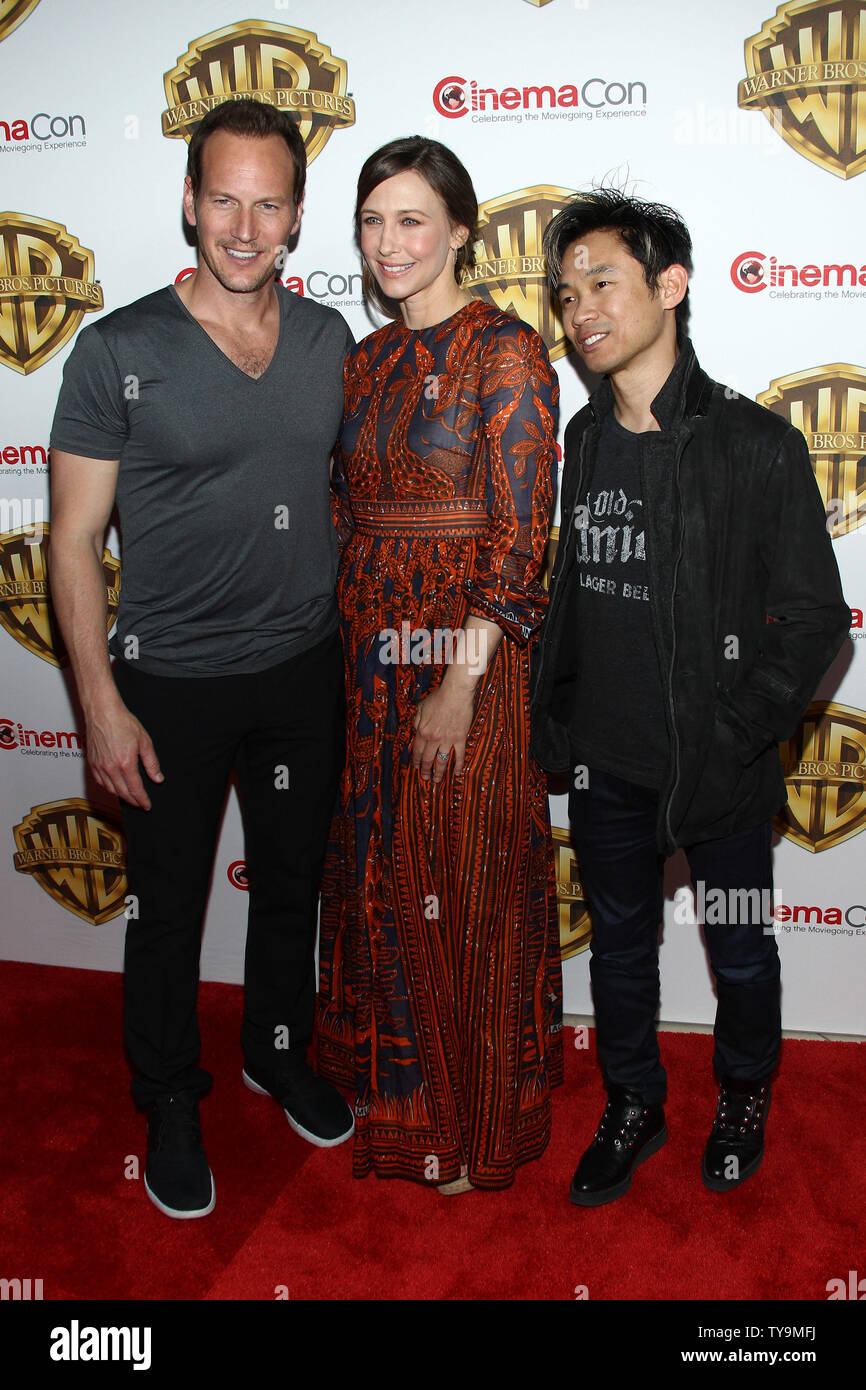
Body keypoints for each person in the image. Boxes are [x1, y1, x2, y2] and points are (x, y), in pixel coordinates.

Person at [48, 99, 355, 1220]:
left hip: (300, 671)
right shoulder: (117, 351)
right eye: (222, 197)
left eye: (267, 202)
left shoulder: (329, 343)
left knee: (288, 890)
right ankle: (170, 1095)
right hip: (167, 682)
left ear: (296, 217)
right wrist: (97, 704)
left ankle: (276, 1051)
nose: (243, 224)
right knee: (167, 912)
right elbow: (73, 538)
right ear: (188, 201)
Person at [531, 189, 849, 1206]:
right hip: (606, 765)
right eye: (565, 291)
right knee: (618, 955)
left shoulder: (755, 444)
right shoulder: (580, 441)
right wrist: (564, 721)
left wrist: (735, 732)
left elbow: (813, 622)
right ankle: (631, 1102)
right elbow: (575, 595)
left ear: (669, 287)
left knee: (740, 949)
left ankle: (743, 1092)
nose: (579, 309)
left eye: (602, 283)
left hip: (721, 775)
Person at [316, 136, 564, 1192]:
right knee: (379, 877)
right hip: (366, 654)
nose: (389, 243)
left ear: (461, 230)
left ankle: (466, 1127)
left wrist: (459, 680)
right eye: (373, 221)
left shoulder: (504, 352)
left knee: (459, 880)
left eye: (412, 219)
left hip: (465, 655)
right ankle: (401, 1096)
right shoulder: (362, 361)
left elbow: (521, 539)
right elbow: (339, 511)